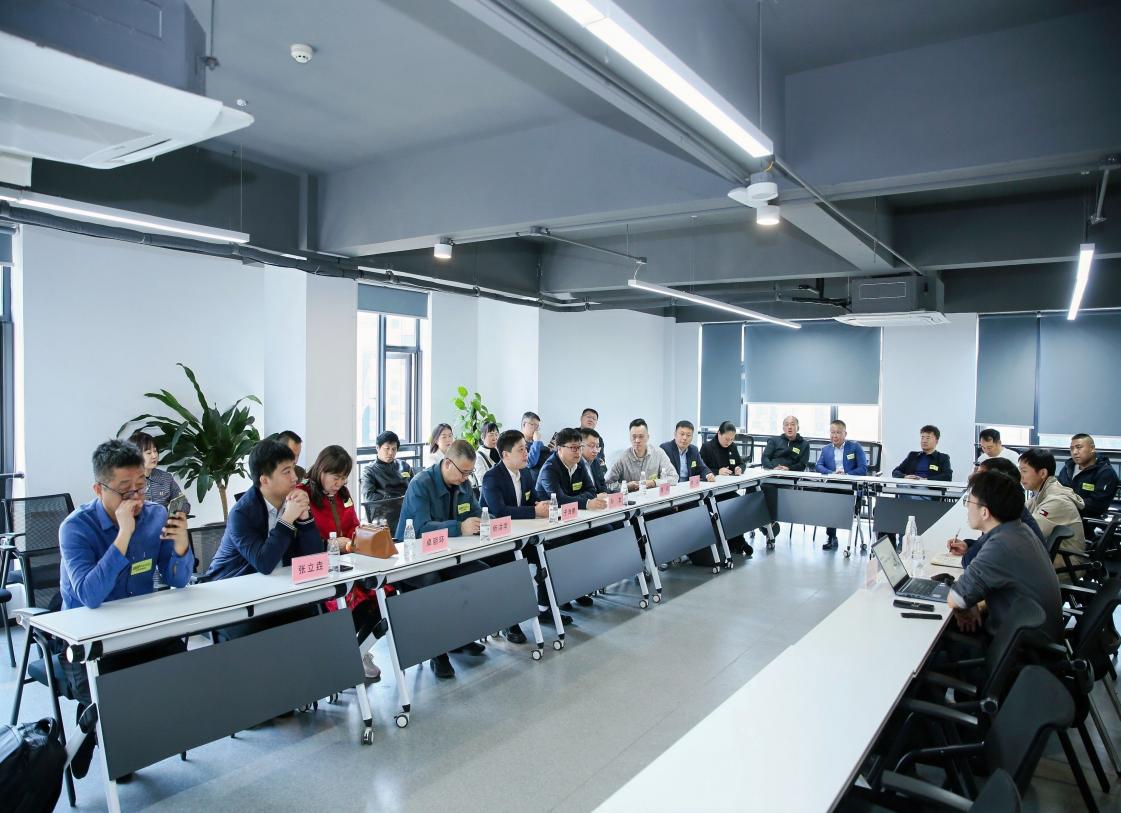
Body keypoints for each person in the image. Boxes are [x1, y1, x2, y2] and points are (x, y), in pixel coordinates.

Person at [58, 439, 193, 778]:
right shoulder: (75, 528)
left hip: (137, 629)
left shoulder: (156, 515)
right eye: (124, 490)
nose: (136, 497)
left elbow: (177, 580)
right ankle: (90, 727)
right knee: (115, 693)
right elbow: (89, 595)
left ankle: (116, 733)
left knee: (185, 671)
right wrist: (123, 535)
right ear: (98, 489)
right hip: (87, 642)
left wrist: (181, 547)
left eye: (140, 486)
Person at [395, 440, 489, 678]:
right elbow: (420, 530)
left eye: (469, 473)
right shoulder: (420, 484)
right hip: (414, 563)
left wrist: (485, 521)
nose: (466, 478)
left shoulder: (463, 484)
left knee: (480, 573)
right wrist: (459, 527)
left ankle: (461, 637)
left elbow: (476, 512)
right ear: (447, 463)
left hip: (447, 556)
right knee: (434, 582)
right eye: (463, 472)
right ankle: (438, 653)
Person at [947, 470, 1063, 643]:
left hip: (1022, 645)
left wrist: (965, 605)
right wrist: (973, 604)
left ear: (984, 512)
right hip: (1032, 632)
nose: (967, 508)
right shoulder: (1018, 529)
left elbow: (956, 599)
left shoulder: (1001, 545)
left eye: (968, 501)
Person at [297, 445, 381, 681]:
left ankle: (359, 650)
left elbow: (354, 524)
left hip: (349, 563)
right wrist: (332, 545)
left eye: (344, 478)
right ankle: (346, 654)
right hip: (320, 568)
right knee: (352, 601)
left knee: (384, 594)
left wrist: (360, 537)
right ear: (321, 469)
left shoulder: (343, 494)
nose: (339, 483)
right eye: (336, 477)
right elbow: (301, 541)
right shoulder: (303, 493)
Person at [205, 438, 323, 591]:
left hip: (278, 587)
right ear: (265, 480)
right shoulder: (241, 514)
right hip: (231, 591)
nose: (295, 477)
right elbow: (264, 563)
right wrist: (287, 519)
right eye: (287, 472)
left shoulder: (292, 501)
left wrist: (305, 518)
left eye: (293, 468)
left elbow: (315, 557)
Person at [481, 429, 551, 640]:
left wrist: (542, 505)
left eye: (526, 449)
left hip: (521, 538)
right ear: (505, 454)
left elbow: (533, 500)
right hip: (497, 543)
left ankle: (546, 607)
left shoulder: (526, 473)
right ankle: (510, 622)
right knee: (513, 566)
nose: (526, 454)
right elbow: (500, 511)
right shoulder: (491, 477)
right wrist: (534, 511)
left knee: (548, 552)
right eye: (521, 450)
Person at [947, 456, 1045, 566]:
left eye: (981, 477)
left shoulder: (1006, 524)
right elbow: (984, 545)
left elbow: (972, 560)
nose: (972, 478)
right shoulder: (1012, 513)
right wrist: (968, 545)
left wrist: (970, 552)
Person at [1019, 447, 1086, 558]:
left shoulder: (1057, 501)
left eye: (1024, 471)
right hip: (1049, 554)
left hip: (1064, 560)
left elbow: (1027, 533)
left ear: (1042, 473)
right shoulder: (1040, 495)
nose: (1020, 476)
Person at [816, 420, 868, 550]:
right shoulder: (826, 449)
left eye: (838, 432)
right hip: (833, 484)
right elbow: (818, 466)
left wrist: (847, 474)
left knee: (840, 503)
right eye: (832, 432)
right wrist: (832, 473)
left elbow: (863, 468)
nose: (835, 436)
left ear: (845, 434)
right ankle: (831, 537)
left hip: (850, 485)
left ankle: (845, 535)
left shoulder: (855, 447)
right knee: (826, 501)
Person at [536, 428, 608, 510]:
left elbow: (591, 491)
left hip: (574, 511)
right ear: (559, 449)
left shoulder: (580, 463)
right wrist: (586, 503)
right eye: (573, 448)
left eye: (580, 447)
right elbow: (559, 500)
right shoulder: (549, 469)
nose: (578, 452)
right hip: (549, 513)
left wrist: (570, 498)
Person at [127, 430, 190, 513]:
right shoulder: (125, 481)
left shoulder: (166, 478)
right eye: (149, 453)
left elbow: (184, 504)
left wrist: (177, 511)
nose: (154, 456)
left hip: (163, 521)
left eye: (155, 451)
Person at [1058, 433, 1119, 519]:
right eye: (1072, 449)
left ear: (1092, 448)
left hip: (1086, 521)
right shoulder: (1068, 467)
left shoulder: (1106, 473)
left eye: (1079, 447)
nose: (1074, 452)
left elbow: (1097, 505)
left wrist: (1067, 505)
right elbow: (1057, 490)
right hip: (1061, 515)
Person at [361, 430, 413, 529]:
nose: (390, 453)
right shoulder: (370, 470)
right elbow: (368, 496)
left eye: (394, 449)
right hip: (385, 513)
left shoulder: (404, 466)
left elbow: (415, 487)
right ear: (377, 448)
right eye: (387, 448)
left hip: (407, 509)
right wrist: (391, 499)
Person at [606, 419, 677, 492]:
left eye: (641, 436)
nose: (637, 440)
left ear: (648, 437)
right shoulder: (622, 458)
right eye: (634, 437)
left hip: (654, 496)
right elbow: (607, 484)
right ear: (629, 437)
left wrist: (653, 483)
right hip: (632, 498)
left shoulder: (658, 453)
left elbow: (674, 478)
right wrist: (626, 486)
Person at [521, 411, 552, 479]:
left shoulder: (538, 443)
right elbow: (529, 463)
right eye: (534, 425)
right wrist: (536, 441)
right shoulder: (518, 443)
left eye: (537, 426)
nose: (536, 429)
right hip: (531, 481)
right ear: (524, 424)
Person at [579, 427, 609, 494]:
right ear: (581, 446)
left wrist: (605, 495)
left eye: (597, 446)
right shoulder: (574, 464)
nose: (595, 451)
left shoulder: (596, 462)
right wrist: (596, 497)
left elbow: (602, 484)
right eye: (592, 446)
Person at [472, 421, 501, 489]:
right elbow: (483, 481)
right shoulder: (478, 456)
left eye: (496, 434)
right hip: (489, 492)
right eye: (491, 435)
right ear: (482, 437)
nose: (495, 438)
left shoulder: (499, 450)